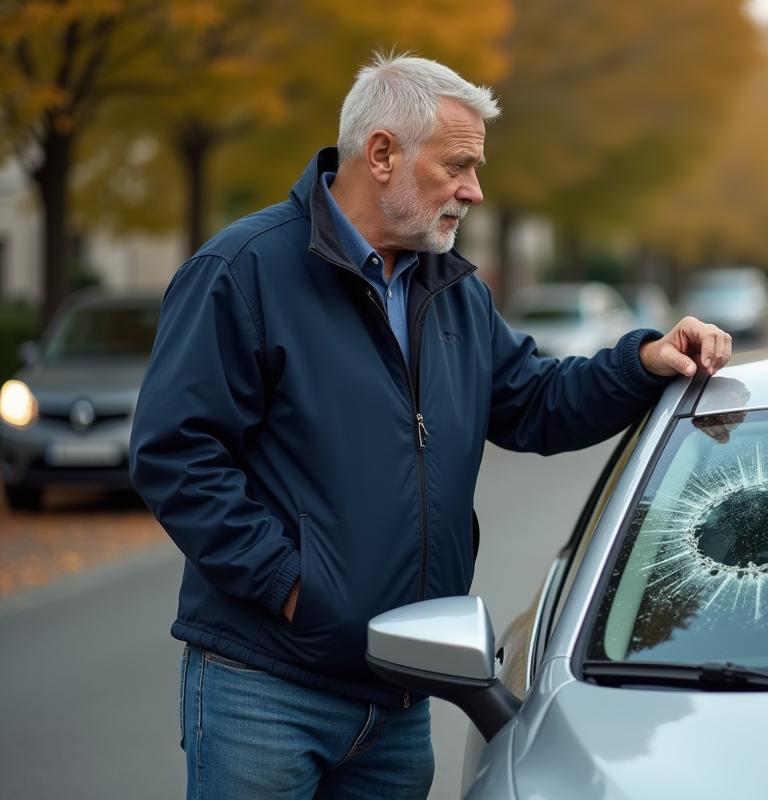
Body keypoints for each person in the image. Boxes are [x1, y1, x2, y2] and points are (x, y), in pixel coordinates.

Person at [129, 52, 731, 799]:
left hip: (403, 696)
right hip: (266, 690)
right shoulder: (241, 270)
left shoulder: (452, 291)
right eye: (459, 166)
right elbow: (174, 453)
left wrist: (643, 361)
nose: (475, 191)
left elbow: (533, 401)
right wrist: (293, 587)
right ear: (382, 154)